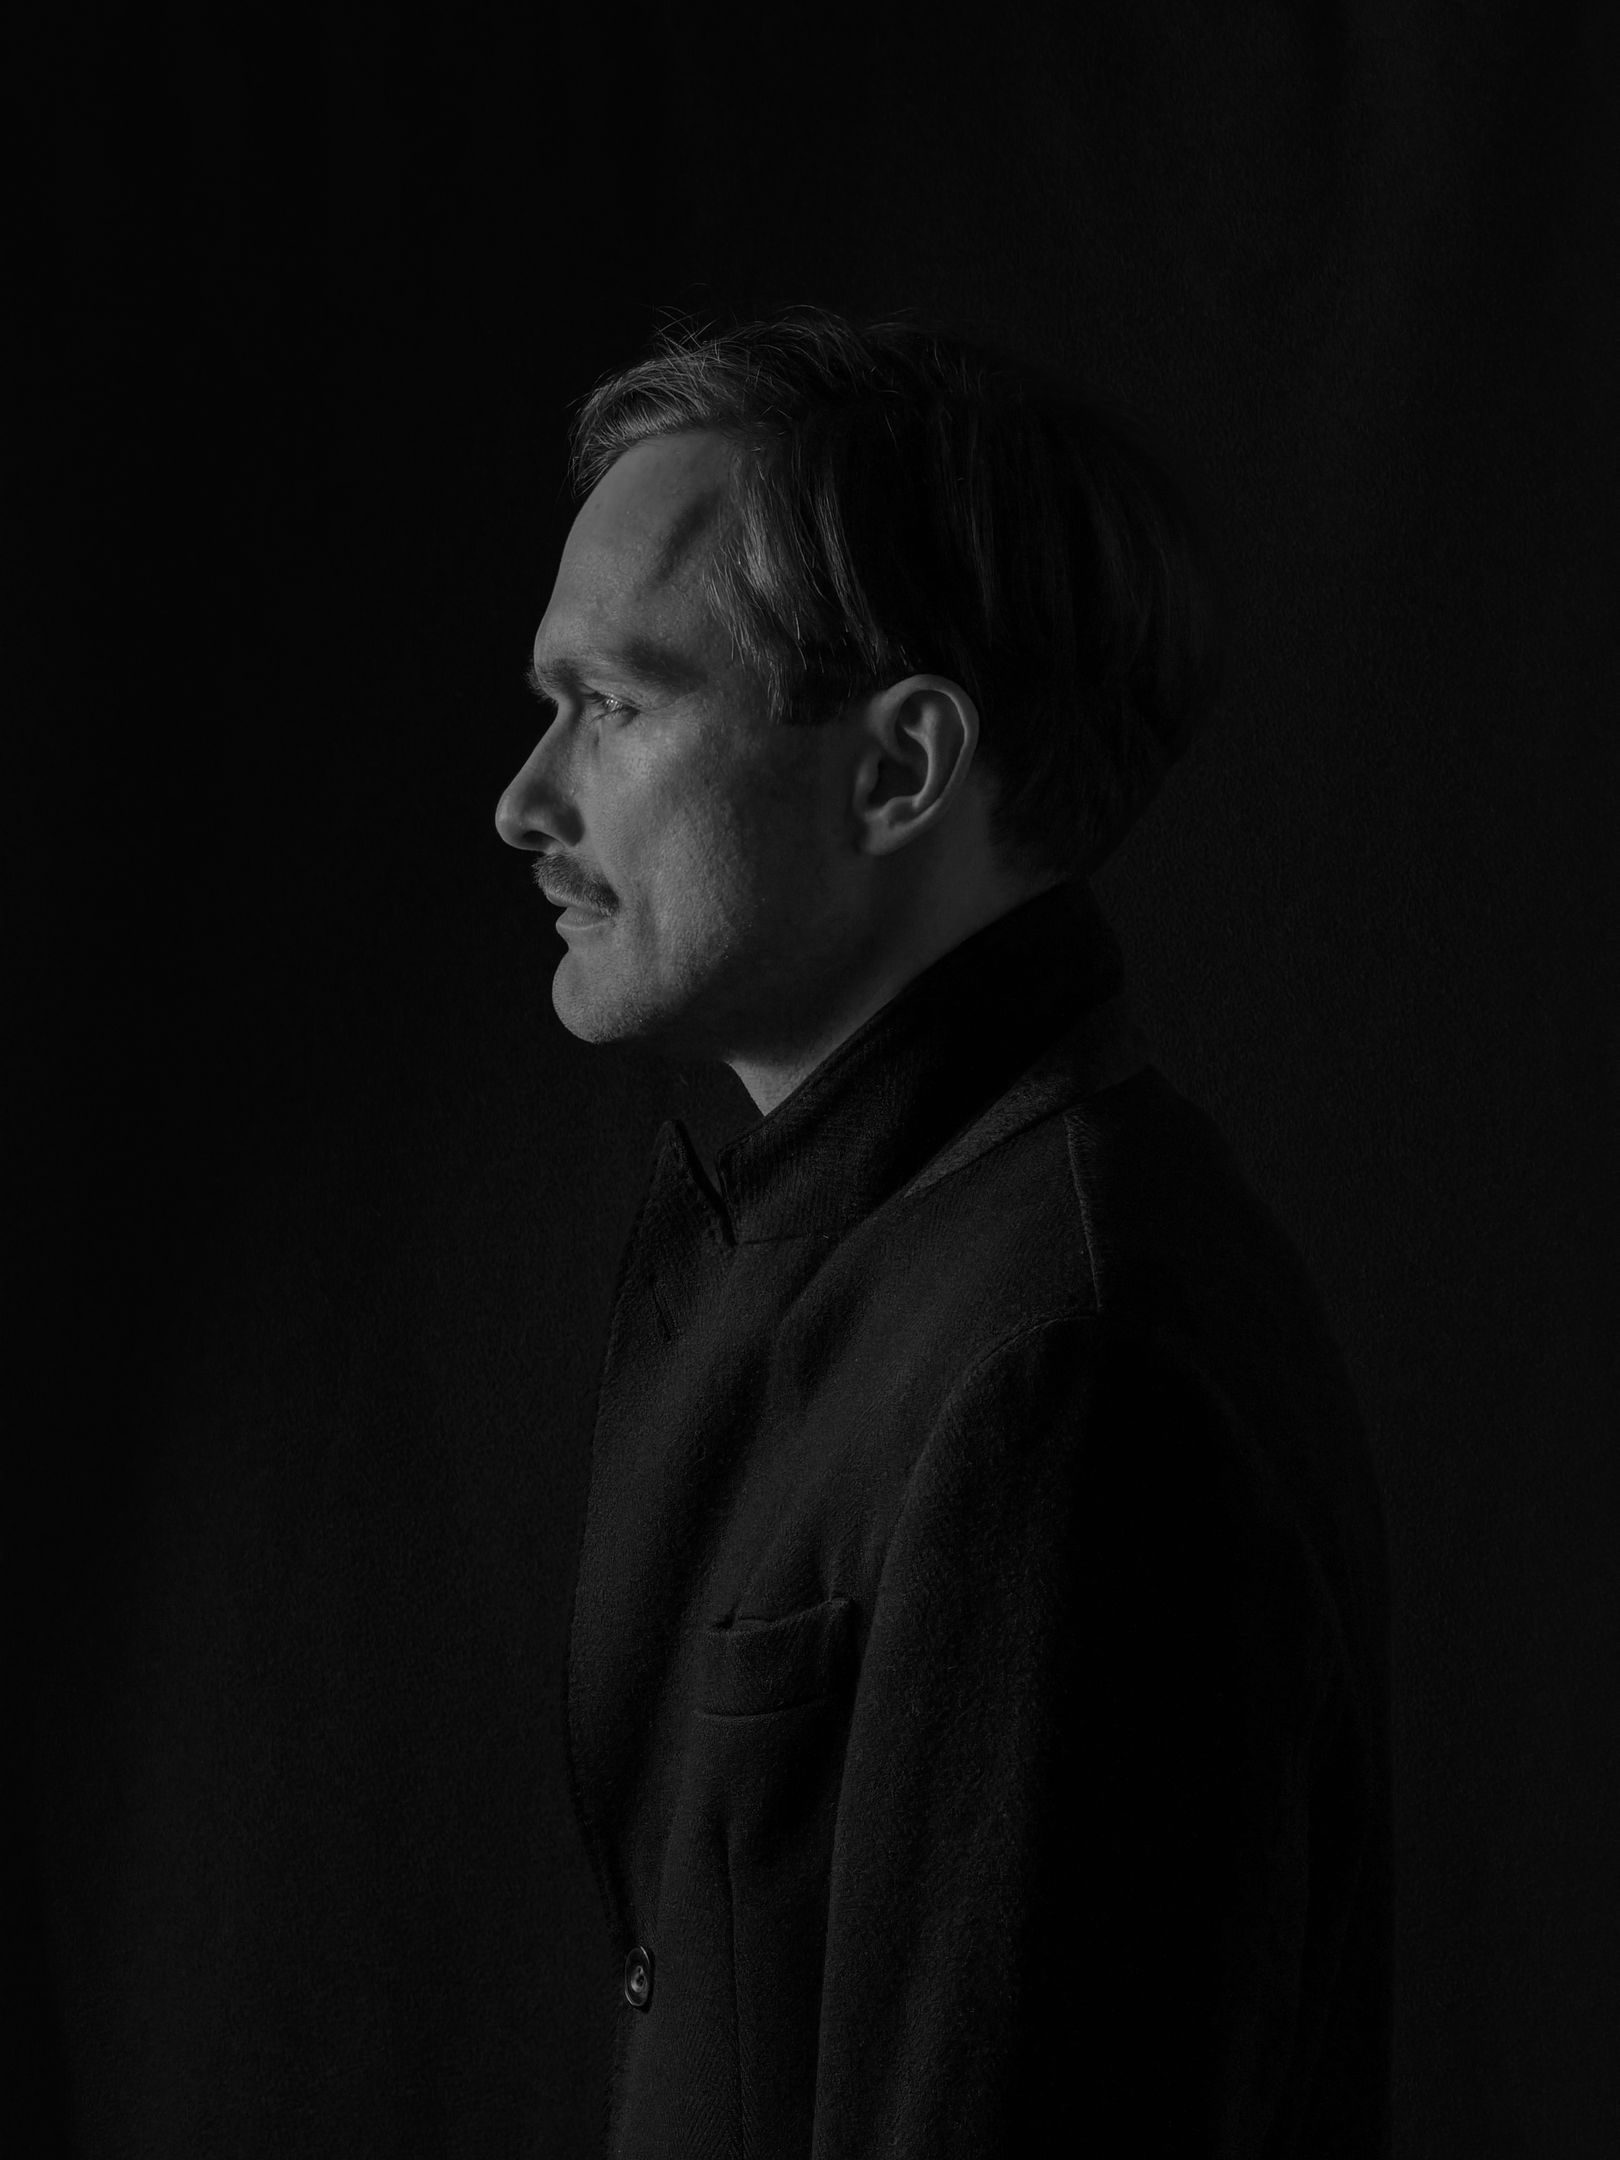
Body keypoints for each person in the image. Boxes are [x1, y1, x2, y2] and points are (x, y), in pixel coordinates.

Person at [494, 307, 1391, 2158]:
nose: (527, 802)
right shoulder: (880, 1257)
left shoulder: (1066, 1366)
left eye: (617, 704)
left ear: (901, 768)